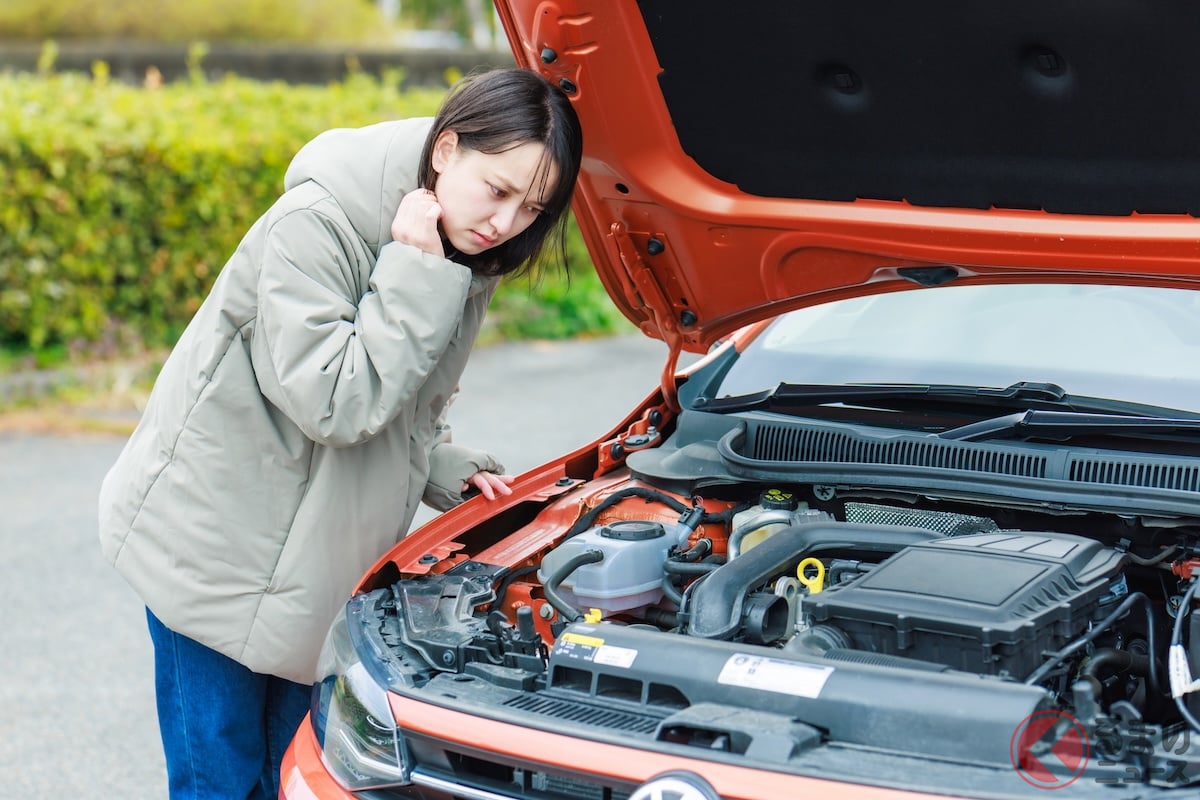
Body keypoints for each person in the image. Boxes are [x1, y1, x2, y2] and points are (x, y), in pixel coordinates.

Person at [97, 67, 583, 799]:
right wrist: (415, 271)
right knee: (220, 783)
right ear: (446, 150)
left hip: (312, 563)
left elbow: (404, 403)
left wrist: (443, 464)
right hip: (215, 546)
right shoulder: (319, 222)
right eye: (498, 189)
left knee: (297, 778)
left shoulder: (456, 249)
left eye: (532, 208)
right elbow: (333, 402)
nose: (506, 222)